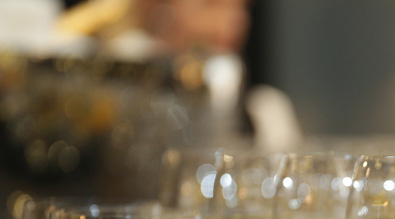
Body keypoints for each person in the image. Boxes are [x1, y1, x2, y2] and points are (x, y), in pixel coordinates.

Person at [57, 0, 302, 152]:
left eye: (242, 7)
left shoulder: (266, 111)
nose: (235, 22)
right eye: (211, 4)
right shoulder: (112, 83)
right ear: (161, 7)